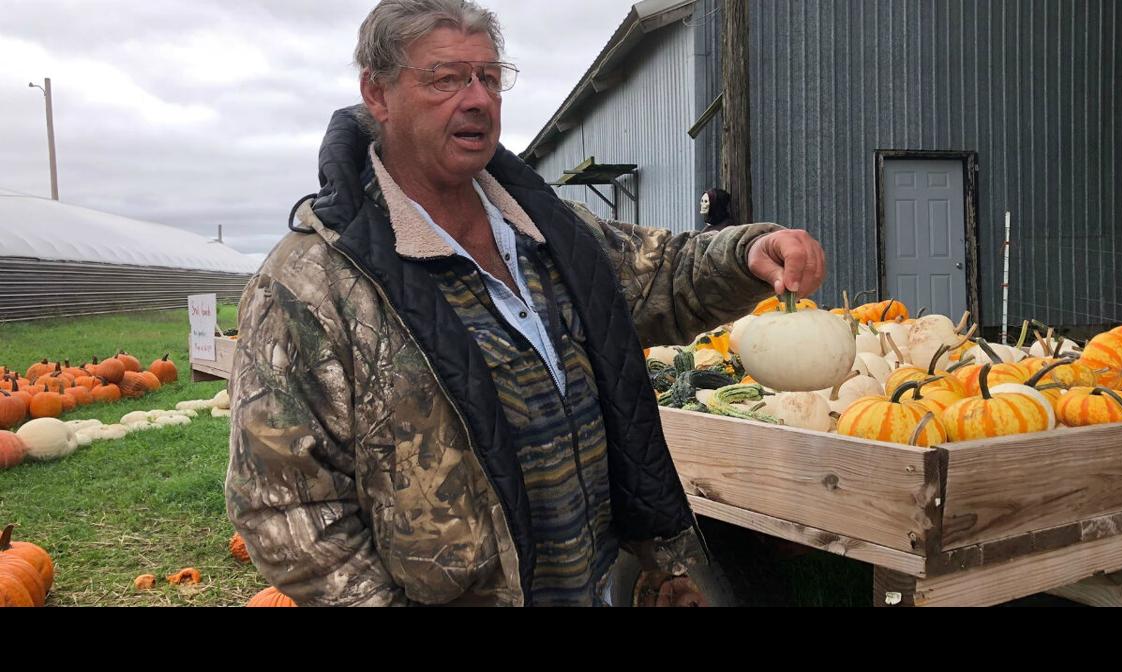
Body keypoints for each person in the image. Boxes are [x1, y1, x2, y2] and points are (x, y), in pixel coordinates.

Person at [225, 0, 826, 607]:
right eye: (446, 78)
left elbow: (660, 276)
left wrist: (749, 252)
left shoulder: (548, 230)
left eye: (489, 76)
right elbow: (284, 506)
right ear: (377, 94)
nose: (478, 98)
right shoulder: (312, 282)